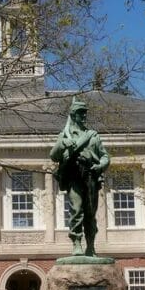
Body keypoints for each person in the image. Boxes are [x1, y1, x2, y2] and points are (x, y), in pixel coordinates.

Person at [50, 96, 110, 256]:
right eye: (80, 113)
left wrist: (101, 165)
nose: (84, 116)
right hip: (74, 176)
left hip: (91, 176)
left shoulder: (93, 136)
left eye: (85, 113)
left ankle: (90, 245)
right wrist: (63, 144)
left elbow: (105, 155)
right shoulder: (65, 135)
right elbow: (54, 155)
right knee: (76, 210)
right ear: (73, 115)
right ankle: (76, 243)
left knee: (90, 213)